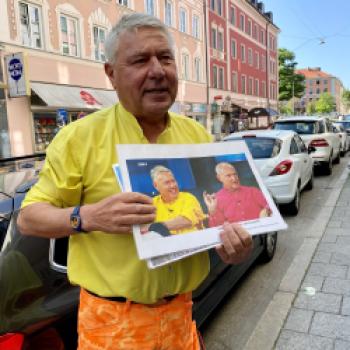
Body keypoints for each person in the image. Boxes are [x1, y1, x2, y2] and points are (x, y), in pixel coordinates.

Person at [17, 13, 253, 350]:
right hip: (111, 328)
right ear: (111, 74)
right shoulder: (79, 138)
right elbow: (28, 218)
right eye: (140, 60)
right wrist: (89, 217)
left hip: (181, 318)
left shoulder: (196, 134)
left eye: (165, 58)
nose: (157, 71)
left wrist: (230, 247)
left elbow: (211, 227)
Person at [204, 162, 271, 227]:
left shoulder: (253, 191)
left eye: (235, 174)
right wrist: (212, 211)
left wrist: (266, 210)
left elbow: (270, 205)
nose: (234, 178)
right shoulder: (216, 199)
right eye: (228, 175)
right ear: (219, 178)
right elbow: (217, 227)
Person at [146, 165, 205, 236]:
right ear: (156, 186)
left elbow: (186, 220)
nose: (173, 185)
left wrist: (155, 227)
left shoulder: (188, 197)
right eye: (167, 183)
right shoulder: (152, 204)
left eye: (173, 181)